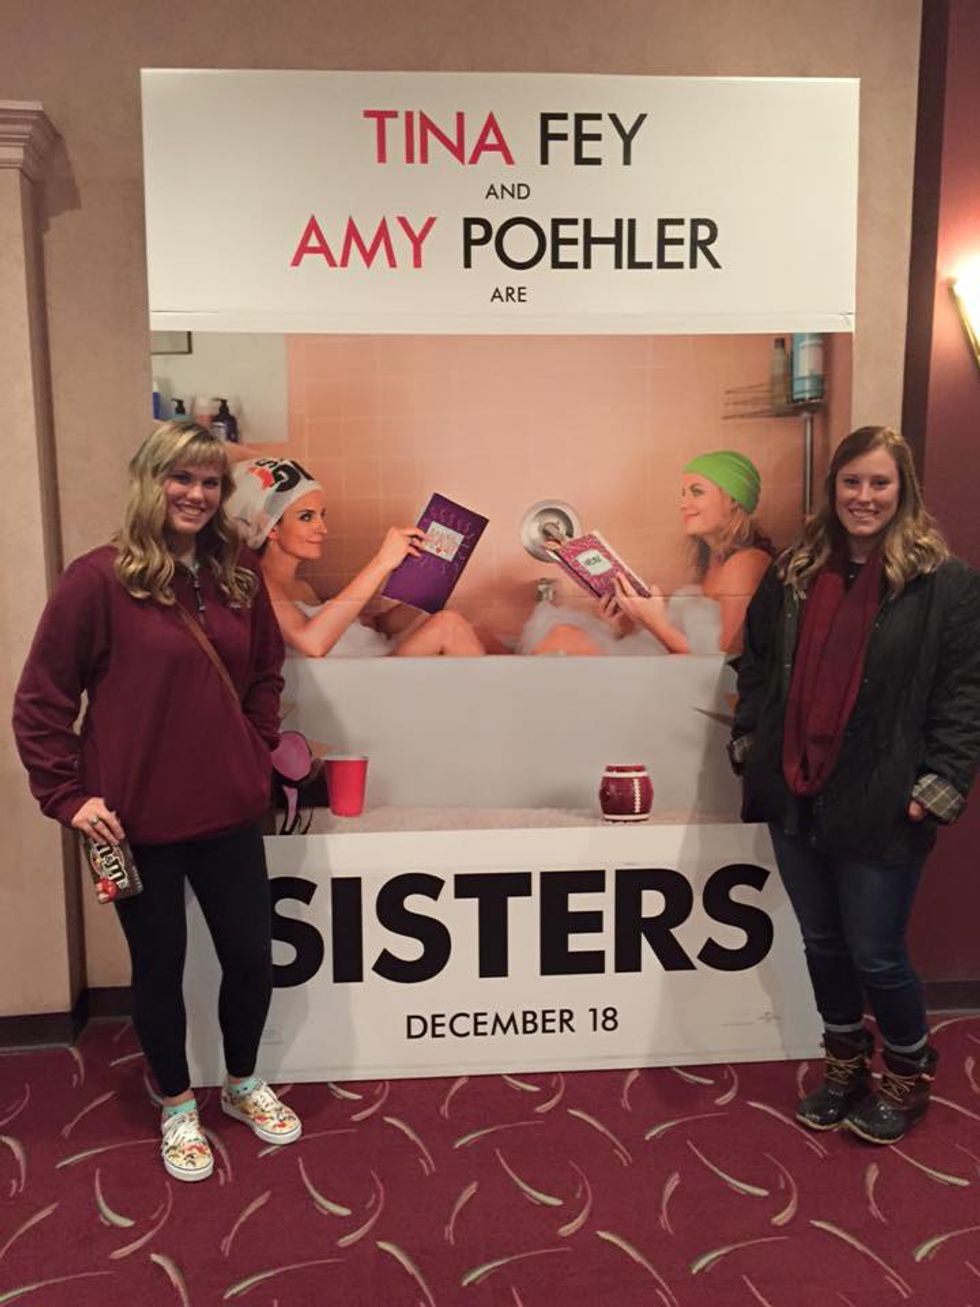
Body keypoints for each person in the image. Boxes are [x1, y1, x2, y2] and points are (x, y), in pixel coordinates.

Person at [12, 421, 302, 1183]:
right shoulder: (97, 580)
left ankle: (240, 1081)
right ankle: (176, 1102)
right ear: (150, 480)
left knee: (251, 959)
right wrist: (68, 795)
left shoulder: (237, 573)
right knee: (159, 967)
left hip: (229, 810)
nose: (196, 494)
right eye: (182, 477)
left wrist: (255, 746)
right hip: (136, 822)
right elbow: (41, 700)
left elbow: (266, 672)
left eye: (210, 482)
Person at [731, 425, 980, 1144]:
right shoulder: (794, 571)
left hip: (884, 796)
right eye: (851, 481)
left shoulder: (944, 583)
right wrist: (749, 741)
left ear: (903, 491)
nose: (863, 496)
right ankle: (844, 1065)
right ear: (833, 487)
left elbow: (963, 693)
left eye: (879, 483)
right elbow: (754, 662)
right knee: (822, 941)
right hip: (795, 789)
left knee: (876, 951)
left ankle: (907, 1072)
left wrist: (938, 786)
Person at [226, 457, 486, 657]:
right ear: (270, 526)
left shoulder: (301, 587)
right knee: (448, 625)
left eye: (321, 515)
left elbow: (374, 627)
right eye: (306, 517)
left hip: (371, 667)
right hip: (360, 686)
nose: (322, 528)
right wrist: (382, 561)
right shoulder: (258, 582)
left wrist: (427, 590)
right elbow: (312, 643)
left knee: (474, 628)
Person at [525, 450, 770, 656]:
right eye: (683, 494)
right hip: (667, 669)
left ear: (733, 500)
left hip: (690, 681)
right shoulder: (715, 560)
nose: (684, 504)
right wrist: (626, 624)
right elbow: (685, 642)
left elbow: (727, 665)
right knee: (559, 637)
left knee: (563, 640)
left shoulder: (746, 563)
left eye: (697, 492)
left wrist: (654, 622)